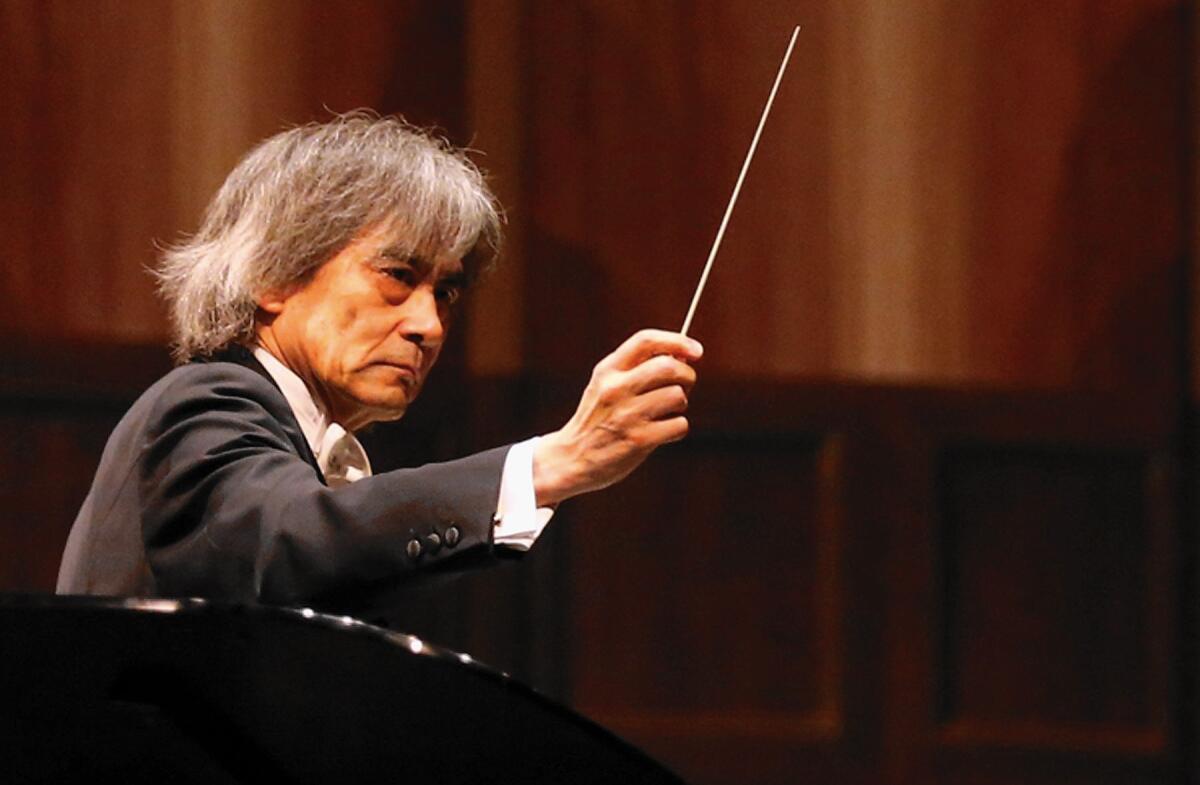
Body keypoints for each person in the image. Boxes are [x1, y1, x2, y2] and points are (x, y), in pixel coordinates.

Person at [56, 113, 701, 614]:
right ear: (272, 277)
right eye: (398, 275)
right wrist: (554, 463)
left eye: (446, 292)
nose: (429, 325)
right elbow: (291, 541)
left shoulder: (295, 440)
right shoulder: (202, 402)